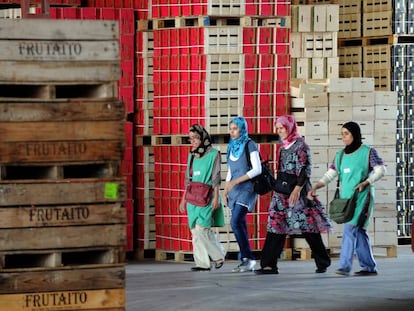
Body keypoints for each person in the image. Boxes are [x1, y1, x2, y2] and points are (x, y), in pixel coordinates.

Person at [255, 115, 332, 275]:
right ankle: (268, 265)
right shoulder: (283, 147)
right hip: (281, 193)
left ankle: (322, 260)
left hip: (298, 192)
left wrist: (297, 190)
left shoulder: (301, 146)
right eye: (277, 128)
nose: (278, 131)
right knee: (275, 225)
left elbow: (305, 169)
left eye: (281, 128)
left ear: (289, 127)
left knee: (307, 226)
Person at [308, 121, 386, 276]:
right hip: (347, 200)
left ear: (355, 134)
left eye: (346, 133)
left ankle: (344, 266)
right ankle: (369, 267)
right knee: (359, 231)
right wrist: (316, 186)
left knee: (350, 228)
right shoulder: (341, 155)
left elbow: (381, 169)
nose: (343, 137)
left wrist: (367, 182)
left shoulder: (368, 152)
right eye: (342, 134)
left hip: (363, 197)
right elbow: (330, 174)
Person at [179, 124, 226, 271]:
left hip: (207, 197)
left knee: (202, 229)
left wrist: (216, 197)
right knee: (195, 231)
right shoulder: (191, 156)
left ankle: (218, 256)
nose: (192, 141)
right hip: (193, 197)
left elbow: (216, 177)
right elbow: (188, 179)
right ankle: (202, 263)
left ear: (203, 138)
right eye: (190, 138)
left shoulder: (214, 154)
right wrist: (183, 200)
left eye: (195, 138)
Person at [222, 117, 261, 273]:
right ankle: (248, 260)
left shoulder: (250, 145)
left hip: (247, 188)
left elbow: (257, 169)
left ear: (242, 129)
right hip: (234, 189)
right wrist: (225, 190)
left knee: (235, 221)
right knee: (240, 224)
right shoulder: (231, 147)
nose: (232, 131)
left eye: (235, 128)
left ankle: (247, 257)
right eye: (230, 128)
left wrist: (236, 182)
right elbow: (230, 171)